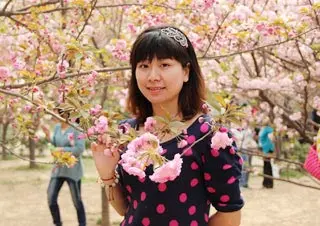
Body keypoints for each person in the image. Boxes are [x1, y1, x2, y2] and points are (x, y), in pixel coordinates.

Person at [91, 25, 244, 226]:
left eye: (164, 65)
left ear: (186, 71)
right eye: (144, 66)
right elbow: (126, 210)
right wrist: (107, 174)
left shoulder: (209, 136)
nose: (153, 76)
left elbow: (230, 215)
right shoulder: (126, 133)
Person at [42, 108, 86, 226]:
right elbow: (54, 145)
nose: (53, 115)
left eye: (55, 113)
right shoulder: (56, 128)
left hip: (73, 170)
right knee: (51, 198)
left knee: (76, 201)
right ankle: (58, 223)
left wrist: (62, 150)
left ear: (64, 114)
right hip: (58, 169)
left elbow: (79, 149)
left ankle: (82, 224)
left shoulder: (76, 128)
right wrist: (48, 136)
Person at [231, 119, 258, 188]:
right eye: (242, 123)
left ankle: (243, 183)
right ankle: (243, 182)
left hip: (245, 150)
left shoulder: (247, 131)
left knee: (245, 166)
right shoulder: (242, 131)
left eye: (244, 123)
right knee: (244, 166)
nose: (243, 124)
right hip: (242, 150)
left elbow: (243, 140)